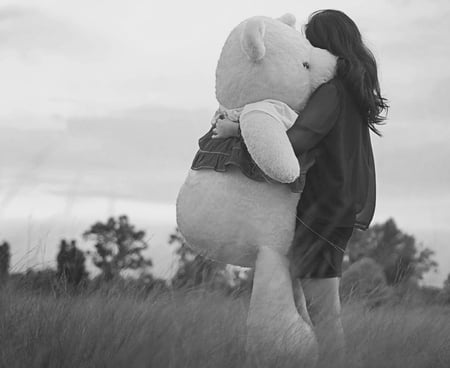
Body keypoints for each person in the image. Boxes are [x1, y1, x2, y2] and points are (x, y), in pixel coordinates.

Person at [212, 9, 388, 364]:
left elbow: (294, 141)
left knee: (324, 313)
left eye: (310, 40)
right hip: (332, 210)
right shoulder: (350, 93)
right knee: (309, 306)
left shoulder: (333, 92)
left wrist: (238, 129)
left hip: (322, 212)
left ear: (324, 44)